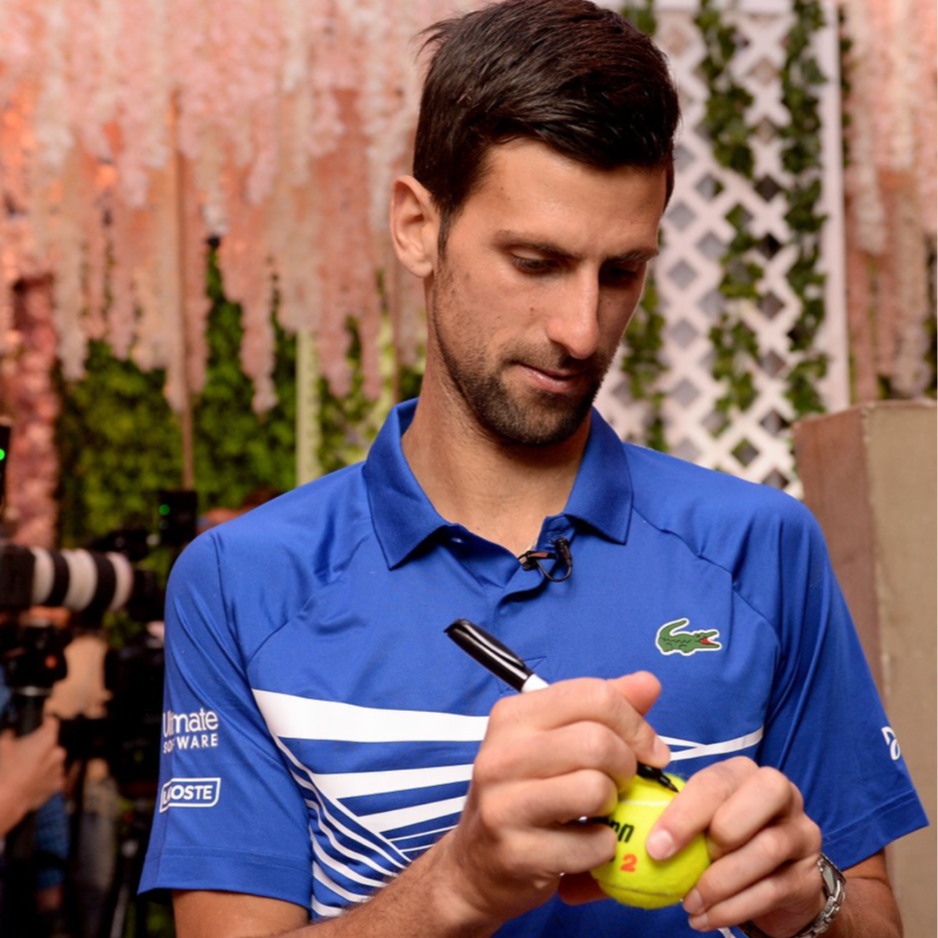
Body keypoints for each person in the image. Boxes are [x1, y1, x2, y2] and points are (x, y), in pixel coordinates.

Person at [140, 1, 928, 936]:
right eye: (536, 260)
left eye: (621, 272)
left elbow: (874, 918)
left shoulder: (762, 547)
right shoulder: (243, 581)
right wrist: (461, 884)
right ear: (416, 226)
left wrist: (813, 903)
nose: (582, 330)